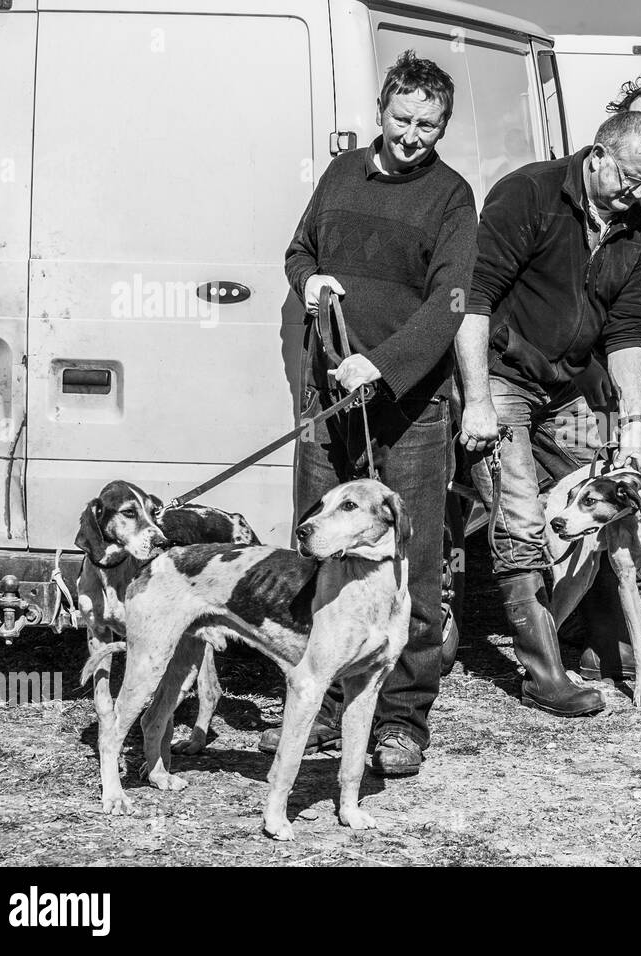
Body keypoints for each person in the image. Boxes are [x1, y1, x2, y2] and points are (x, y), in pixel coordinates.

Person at [268, 51, 477, 776]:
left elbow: (450, 303)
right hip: (327, 402)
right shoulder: (339, 175)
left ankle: (402, 717)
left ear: (442, 124)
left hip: (409, 410)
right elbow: (297, 251)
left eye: (428, 123)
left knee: (412, 565)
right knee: (316, 547)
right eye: (402, 118)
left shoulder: (452, 197)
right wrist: (311, 278)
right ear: (381, 110)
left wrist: (382, 366)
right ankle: (319, 701)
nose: (413, 133)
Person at [456, 110, 641, 717]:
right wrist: (475, 401)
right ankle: (543, 672)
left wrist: (631, 421)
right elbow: (474, 300)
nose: (636, 195)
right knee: (520, 509)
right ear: (596, 155)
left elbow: (628, 328)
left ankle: (597, 635)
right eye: (629, 179)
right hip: (501, 375)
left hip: (569, 383)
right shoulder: (531, 194)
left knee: (605, 484)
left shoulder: (635, 224)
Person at [546, 78, 641, 674]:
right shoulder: (600, 192)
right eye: (637, 118)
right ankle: (594, 630)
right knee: (599, 468)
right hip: (601, 354)